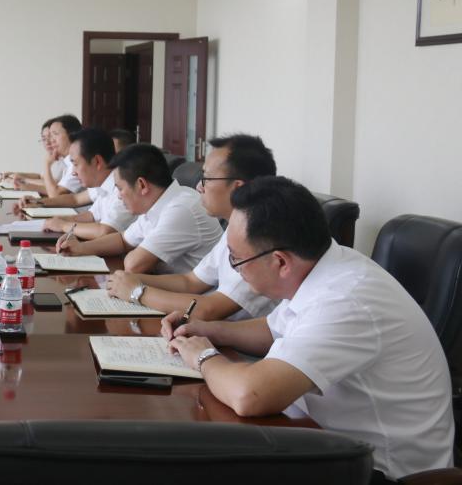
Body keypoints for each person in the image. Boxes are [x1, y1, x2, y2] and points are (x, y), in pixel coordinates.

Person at [166, 176, 454, 481]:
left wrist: (203, 356)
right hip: (320, 437)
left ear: (280, 262)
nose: (234, 268)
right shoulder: (326, 266)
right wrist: (210, 330)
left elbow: (250, 396)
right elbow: (273, 330)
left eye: (236, 259)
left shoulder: (346, 299)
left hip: (379, 470)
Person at [105, 134, 279, 320]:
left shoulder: (261, 237)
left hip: (226, 334)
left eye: (207, 178)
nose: (199, 187)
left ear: (237, 188)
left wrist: (137, 292)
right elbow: (190, 281)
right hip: (207, 327)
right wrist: (129, 280)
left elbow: (210, 309)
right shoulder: (234, 228)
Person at [57, 143, 221, 274]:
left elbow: (134, 265)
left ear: (142, 185)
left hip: (195, 300)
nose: (119, 196)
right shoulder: (158, 203)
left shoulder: (181, 209)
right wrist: (81, 248)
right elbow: (123, 240)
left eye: (120, 189)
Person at [18, 128, 133, 239]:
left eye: (76, 164)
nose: (73, 172)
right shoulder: (103, 183)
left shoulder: (123, 188)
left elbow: (104, 231)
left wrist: (63, 225)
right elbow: (90, 215)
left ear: (97, 162)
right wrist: (52, 215)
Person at [0, 118, 66, 193]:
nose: (47, 142)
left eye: (50, 137)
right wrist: (15, 174)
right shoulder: (52, 157)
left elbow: (52, 185)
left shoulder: (66, 160)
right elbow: (40, 177)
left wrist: (23, 180)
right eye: (44, 139)